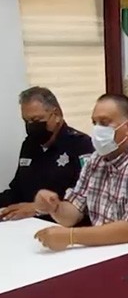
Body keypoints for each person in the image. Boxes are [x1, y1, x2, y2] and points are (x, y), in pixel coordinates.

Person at [33, 93, 128, 250]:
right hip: (102, 250)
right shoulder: (96, 160)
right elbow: (74, 213)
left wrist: (71, 236)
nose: (97, 129)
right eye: (94, 123)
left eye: (104, 123)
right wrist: (54, 207)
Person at [0, 87, 93, 222]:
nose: (31, 126)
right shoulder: (29, 145)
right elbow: (18, 190)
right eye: (26, 121)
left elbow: (85, 199)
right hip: (26, 225)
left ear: (56, 114)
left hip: (65, 226)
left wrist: (38, 208)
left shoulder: (81, 145)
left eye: (36, 120)